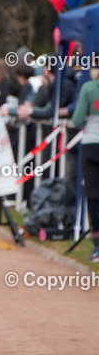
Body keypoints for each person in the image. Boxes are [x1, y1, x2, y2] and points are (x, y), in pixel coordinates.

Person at [71, 65, 99, 261]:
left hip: (91, 145)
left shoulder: (89, 88)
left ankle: (97, 246)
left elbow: (77, 119)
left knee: (93, 196)